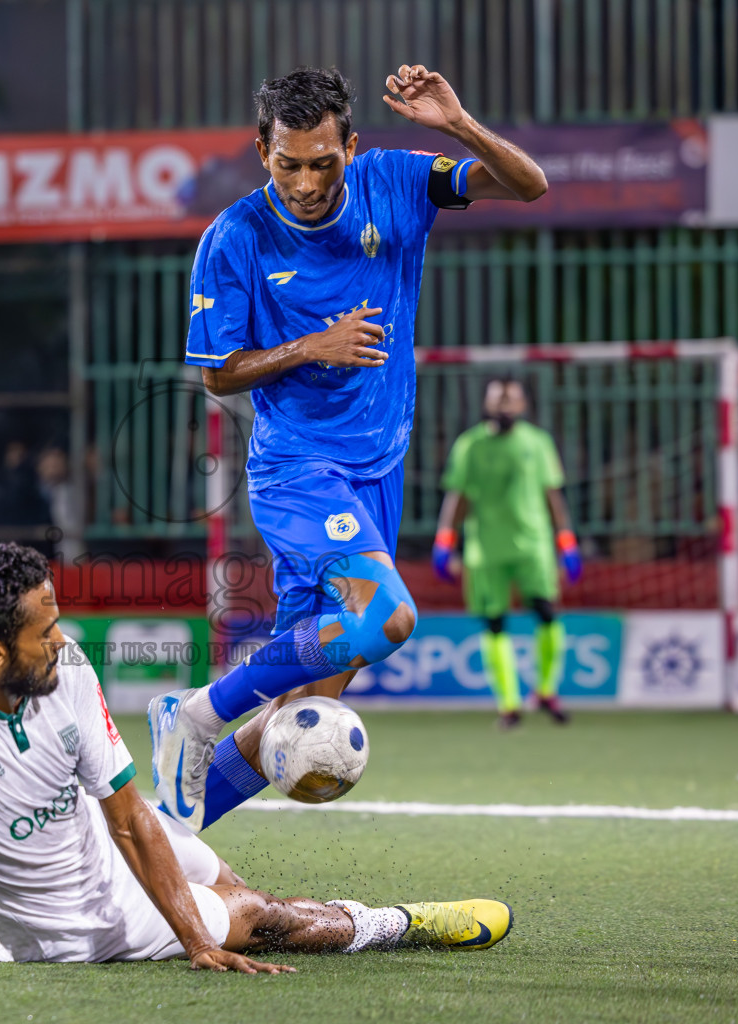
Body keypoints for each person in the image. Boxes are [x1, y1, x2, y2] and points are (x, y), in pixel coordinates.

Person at [0, 542, 511, 977]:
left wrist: (198, 933)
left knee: (227, 885)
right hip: (77, 931)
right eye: (45, 631)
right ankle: (395, 923)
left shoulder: (65, 670)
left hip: (108, 845)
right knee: (258, 918)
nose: (64, 640)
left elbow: (130, 817)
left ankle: (243, 911)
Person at [154, 65, 548, 830]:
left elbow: (528, 187)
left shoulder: (396, 182)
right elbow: (216, 374)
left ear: (352, 147)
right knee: (386, 620)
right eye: (287, 164)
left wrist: (459, 126)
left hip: (377, 473)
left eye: (323, 163)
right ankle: (192, 715)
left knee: (298, 708)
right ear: (262, 151)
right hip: (297, 470)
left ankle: (160, 846)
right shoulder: (233, 237)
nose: (306, 182)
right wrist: (312, 346)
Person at [433, 379, 581, 729]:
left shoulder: (537, 442)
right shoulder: (470, 444)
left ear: (522, 405)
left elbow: (552, 495)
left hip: (533, 544)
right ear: (486, 404)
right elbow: (458, 495)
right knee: (494, 622)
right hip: (486, 548)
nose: (503, 404)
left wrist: (566, 540)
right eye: (497, 398)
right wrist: (445, 539)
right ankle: (508, 705)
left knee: (547, 612)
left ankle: (546, 691)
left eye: (510, 398)